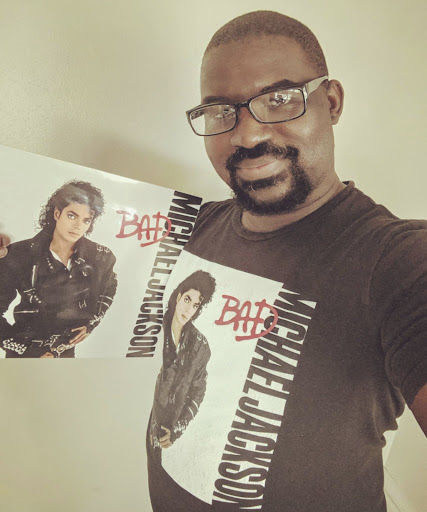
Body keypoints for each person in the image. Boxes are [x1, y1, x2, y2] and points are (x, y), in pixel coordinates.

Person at [146, 10, 427, 512]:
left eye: (279, 100)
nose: (248, 136)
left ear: (331, 102)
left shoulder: (396, 259)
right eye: (221, 111)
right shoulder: (193, 226)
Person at [0, 180, 117, 358]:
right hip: (23, 352)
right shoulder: (20, 254)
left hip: (65, 352)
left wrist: (91, 323)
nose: (78, 225)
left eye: (86, 220)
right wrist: (25, 349)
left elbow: (108, 287)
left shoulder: (100, 256)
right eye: (72, 215)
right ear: (57, 213)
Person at [149, 270, 216, 454]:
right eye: (187, 299)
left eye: (195, 305)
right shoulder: (155, 325)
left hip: (161, 431)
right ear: (179, 296)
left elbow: (197, 393)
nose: (188, 310)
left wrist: (177, 429)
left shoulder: (200, 346)